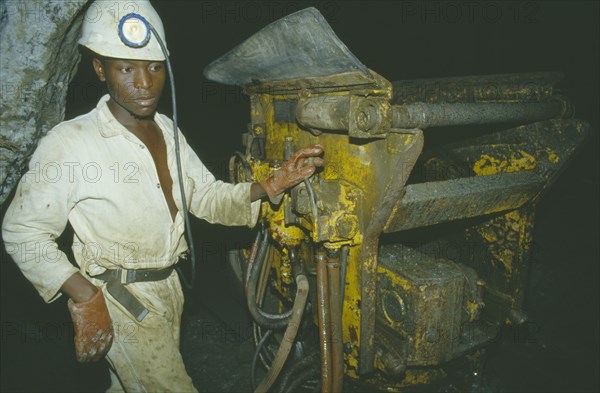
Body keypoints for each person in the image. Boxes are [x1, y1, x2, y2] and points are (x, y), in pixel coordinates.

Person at [1, 0, 323, 391]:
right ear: (99, 68)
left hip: (168, 288)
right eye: (126, 68)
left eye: (155, 68)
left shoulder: (166, 129)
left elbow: (204, 196)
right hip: (121, 299)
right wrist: (85, 297)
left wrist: (267, 186)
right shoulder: (69, 143)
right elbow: (23, 233)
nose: (144, 83)